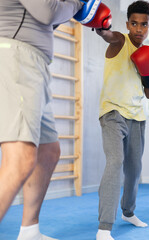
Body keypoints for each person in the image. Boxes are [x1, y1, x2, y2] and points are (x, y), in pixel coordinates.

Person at [0, 0, 83, 239]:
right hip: (17, 58)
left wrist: (81, 14)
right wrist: (77, 4)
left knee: (48, 151)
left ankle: (29, 231)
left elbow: (47, 18)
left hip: (33, 63)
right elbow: (48, 12)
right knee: (20, 158)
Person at [95, 1, 149, 240]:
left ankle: (128, 212)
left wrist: (148, 74)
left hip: (137, 116)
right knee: (115, 162)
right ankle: (104, 227)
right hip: (112, 113)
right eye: (134, 23)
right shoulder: (120, 40)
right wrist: (100, 26)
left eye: (144, 24)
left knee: (134, 169)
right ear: (127, 23)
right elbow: (106, 35)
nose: (139, 29)